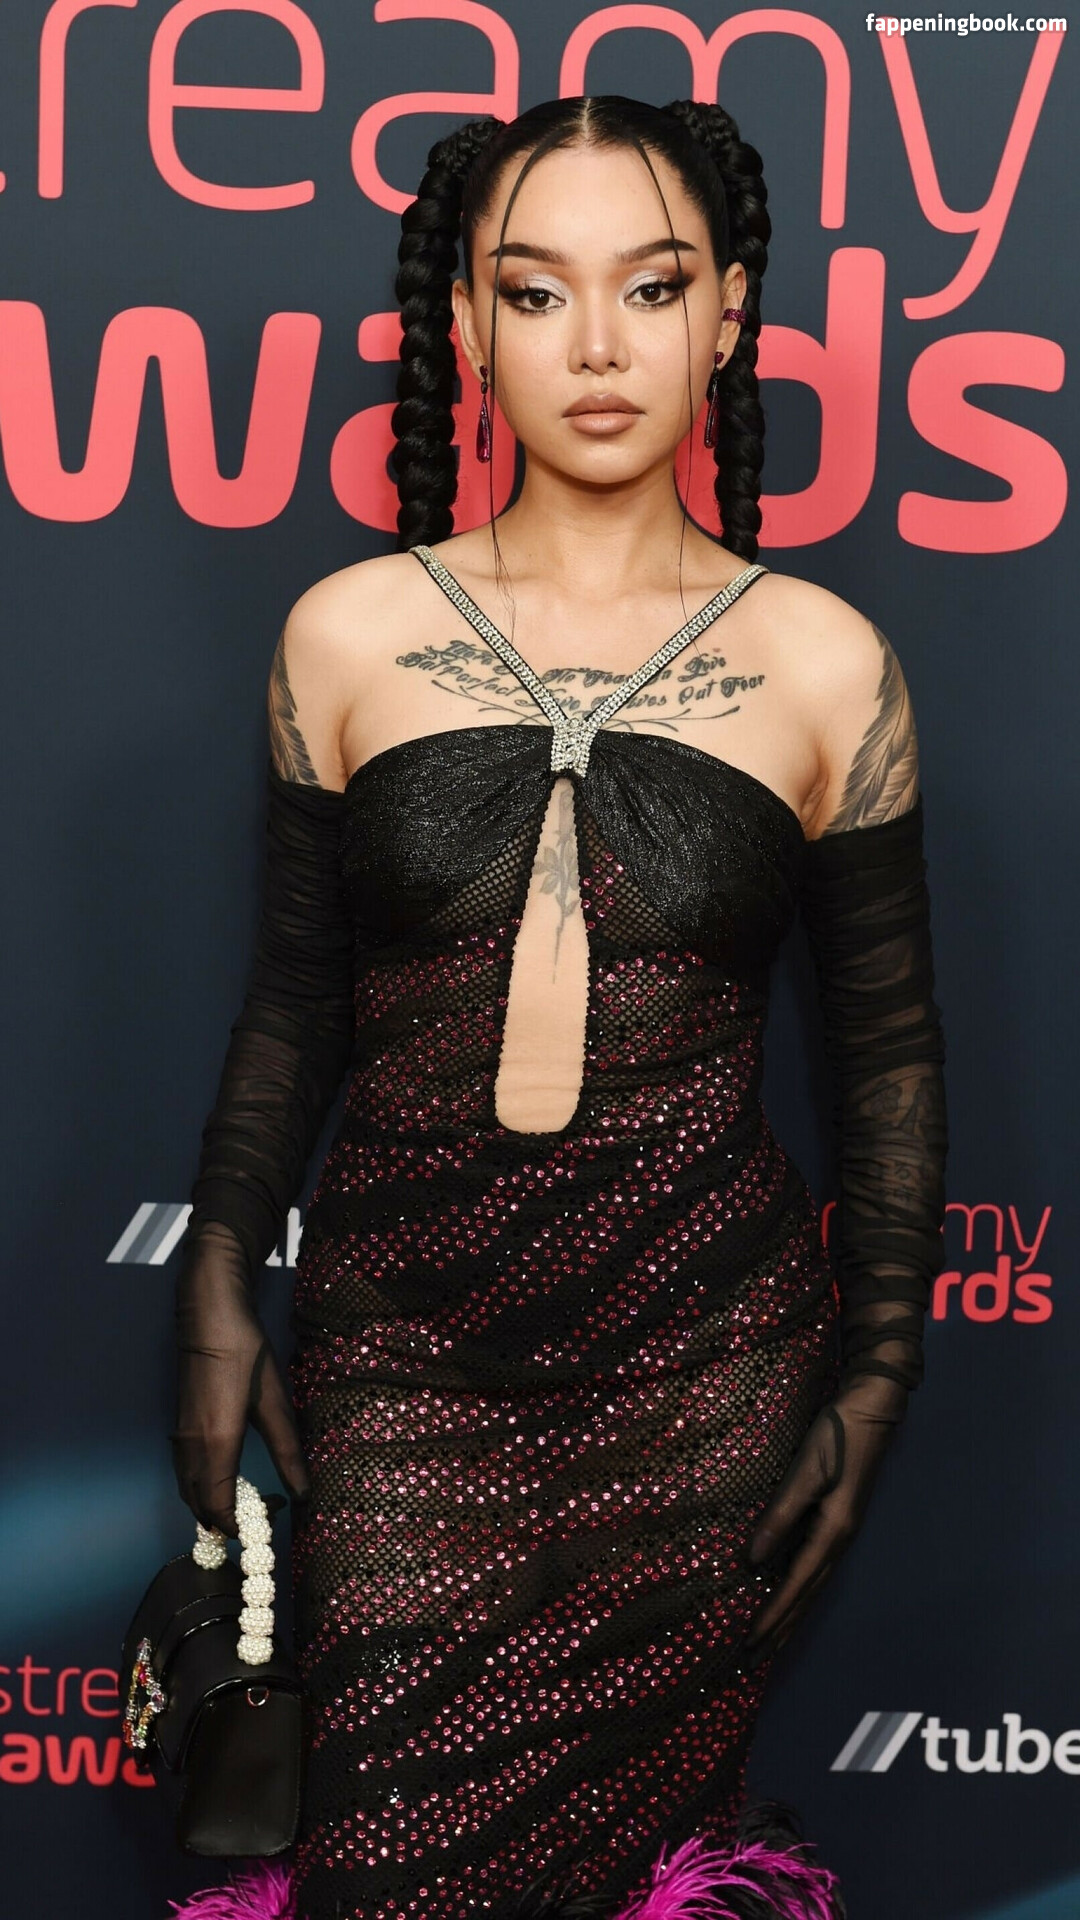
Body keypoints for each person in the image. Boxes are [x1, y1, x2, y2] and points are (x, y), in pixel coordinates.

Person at [167, 94, 948, 1920]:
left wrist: (877, 1378)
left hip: (702, 1385)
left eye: (651, 287)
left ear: (729, 315)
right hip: (402, 1368)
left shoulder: (826, 663)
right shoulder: (346, 637)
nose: (597, 346)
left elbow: (892, 1063)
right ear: (466, 327)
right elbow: (293, 1007)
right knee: (386, 1863)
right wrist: (213, 1278)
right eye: (536, 292)